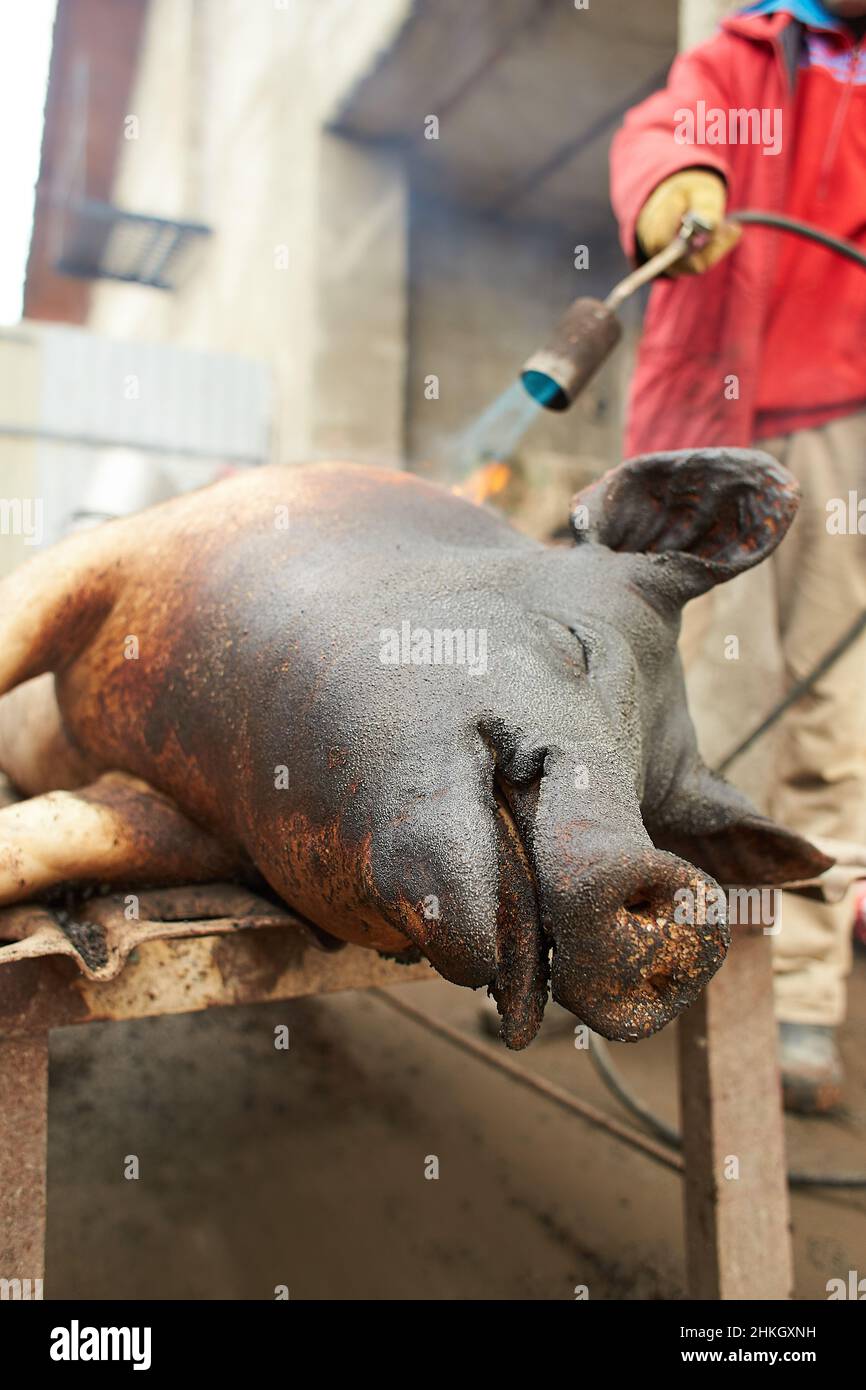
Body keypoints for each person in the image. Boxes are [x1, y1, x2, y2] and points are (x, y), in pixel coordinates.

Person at [610, 0, 866, 1112]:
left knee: (828, 702)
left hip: (843, 420)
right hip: (707, 413)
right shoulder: (735, 52)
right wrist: (678, 186)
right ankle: (611, 942)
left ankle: (797, 995)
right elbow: (661, 130)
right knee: (671, 701)